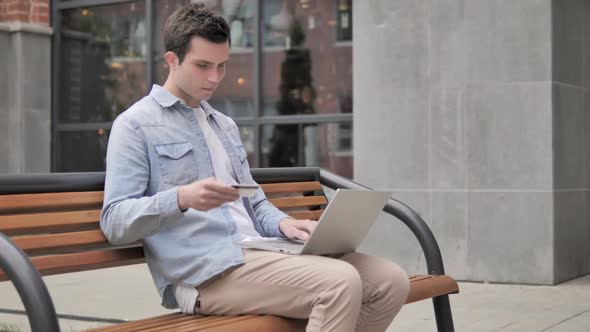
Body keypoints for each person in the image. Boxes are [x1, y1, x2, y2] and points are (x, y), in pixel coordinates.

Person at [100, 4, 409, 332]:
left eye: (221, 66)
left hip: (259, 252)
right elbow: (115, 222)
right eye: (202, 65)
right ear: (171, 60)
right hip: (205, 273)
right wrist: (181, 198)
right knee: (340, 283)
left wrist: (286, 224)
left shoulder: (224, 125)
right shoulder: (135, 125)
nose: (214, 78)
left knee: (390, 282)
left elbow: (254, 204)